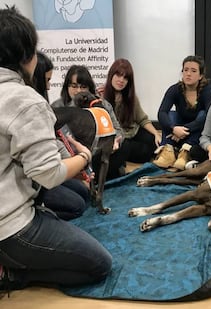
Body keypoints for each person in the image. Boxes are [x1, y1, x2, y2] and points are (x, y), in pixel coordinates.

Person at [0, 6, 111, 294]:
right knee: (100, 264)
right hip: (10, 226)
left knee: (77, 201)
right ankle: (14, 273)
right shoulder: (25, 100)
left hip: (18, 201)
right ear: (27, 56)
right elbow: (49, 174)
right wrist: (84, 156)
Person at [32, 51, 89, 220]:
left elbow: (54, 140)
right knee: (77, 206)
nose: (49, 86)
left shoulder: (99, 104)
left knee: (82, 193)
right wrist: (83, 159)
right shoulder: (49, 107)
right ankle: (36, 211)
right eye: (47, 80)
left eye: (83, 86)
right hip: (40, 175)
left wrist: (77, 167)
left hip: (62, 160)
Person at [51, 65, 125, 180]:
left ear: (90, 88)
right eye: (74, 86)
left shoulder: (102, 105)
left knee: (123, 150)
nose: (78, 91)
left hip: (96, 154)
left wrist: (116, 141)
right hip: (70, 159)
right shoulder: (57, 107)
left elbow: (118, 130)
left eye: (83, 87)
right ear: (67, 87)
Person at [154, 55, 211, 170]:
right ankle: (168, 151)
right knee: (171, 114)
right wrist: (173, 129)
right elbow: (161, 112)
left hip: (197, 130)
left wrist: (184, 130)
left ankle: (185, 153)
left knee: (203, 114)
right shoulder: (174, 89)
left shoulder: (208, 90)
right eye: (185, 70)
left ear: (200, 75)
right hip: (177, 129)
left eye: (193, 71)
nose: (188, 74)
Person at [100, 58, 161, 164]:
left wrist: (156, 133)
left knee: (152, 141)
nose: (121, 80)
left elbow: (142, 119)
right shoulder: (101, 97)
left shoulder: (130, 97)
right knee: (132, 149)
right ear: (111, 75)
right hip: (116, 137)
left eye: (125, 78)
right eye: (118, 75)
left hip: (132, 132)